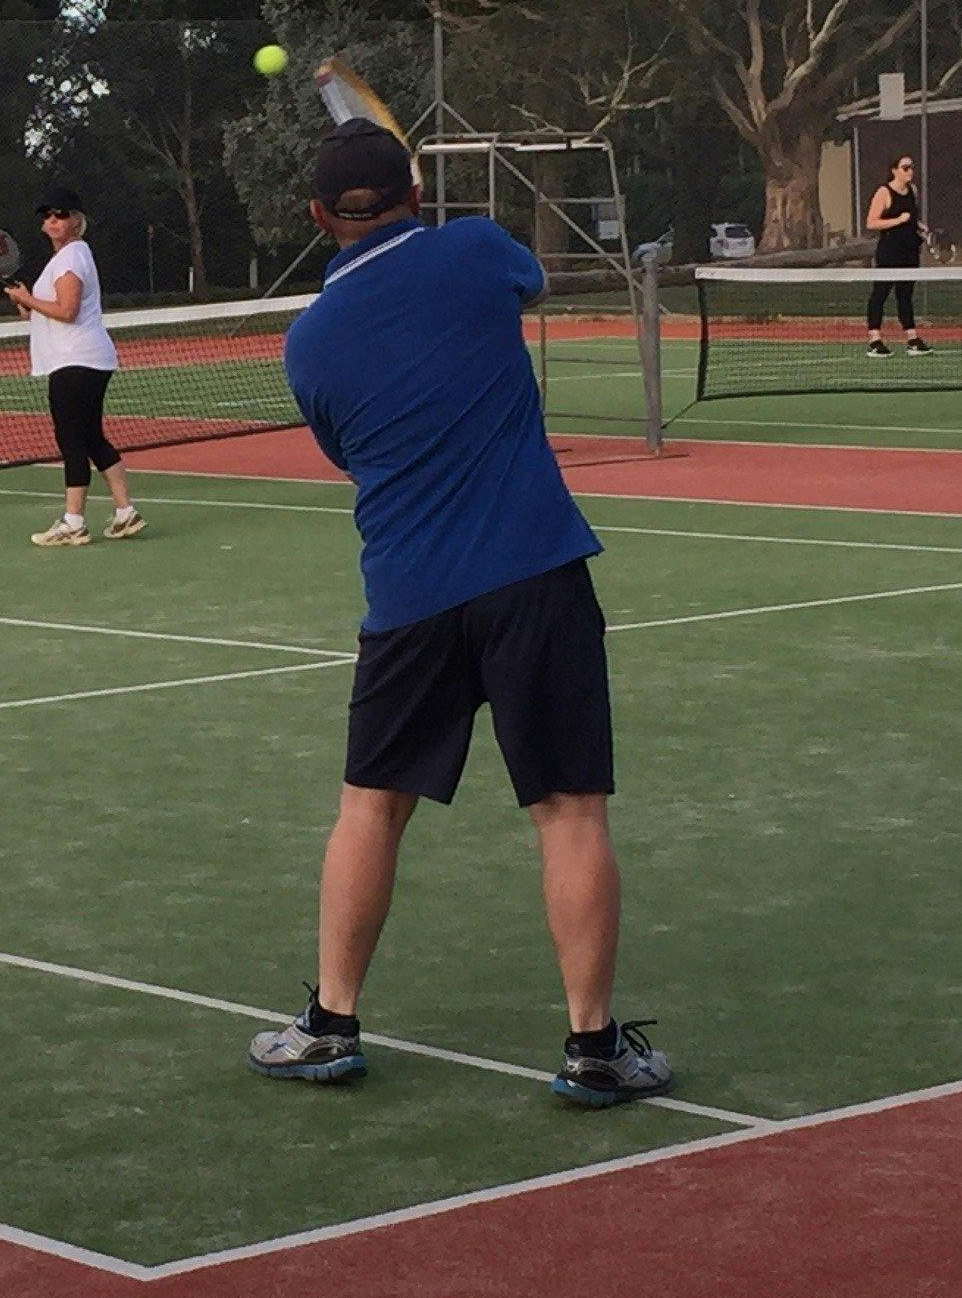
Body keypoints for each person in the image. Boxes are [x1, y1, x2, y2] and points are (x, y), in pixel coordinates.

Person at [248, 119, 671, 1108]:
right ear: (414, 193)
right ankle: (594, 1048)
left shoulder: (309, 342)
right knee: (570, 811)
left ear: (317, 217)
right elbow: (532, 283)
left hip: (409, 598)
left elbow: (350, 453)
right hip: (536, 576)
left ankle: (331, 1026)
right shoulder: (477, 249)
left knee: (370, 807)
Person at [3, 188, 141, 547]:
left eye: (60, 215)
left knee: (72, 440)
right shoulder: (68, 257)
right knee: (91, 437)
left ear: (76, 221)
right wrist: (26, 303)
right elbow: (50, 312)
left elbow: (67, 311)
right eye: (48, 215)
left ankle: (73, 522)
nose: (52, 221)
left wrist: (28, 298)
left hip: (76, 360)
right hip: (84, 358)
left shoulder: (72, 256)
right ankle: (125, 512)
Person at [863, 154, 931, 356]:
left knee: (905, 295)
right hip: (889, 252)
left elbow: (911, 219)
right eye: (905, 168)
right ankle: (875, 339)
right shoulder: (884, 192)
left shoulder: (912, 191)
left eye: (912, 167)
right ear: (894, 170)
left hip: (910, 251)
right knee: (880, 293)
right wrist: (899, 220)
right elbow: (871, 223)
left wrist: (920, 227)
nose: (910, 171)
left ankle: (912, 338)